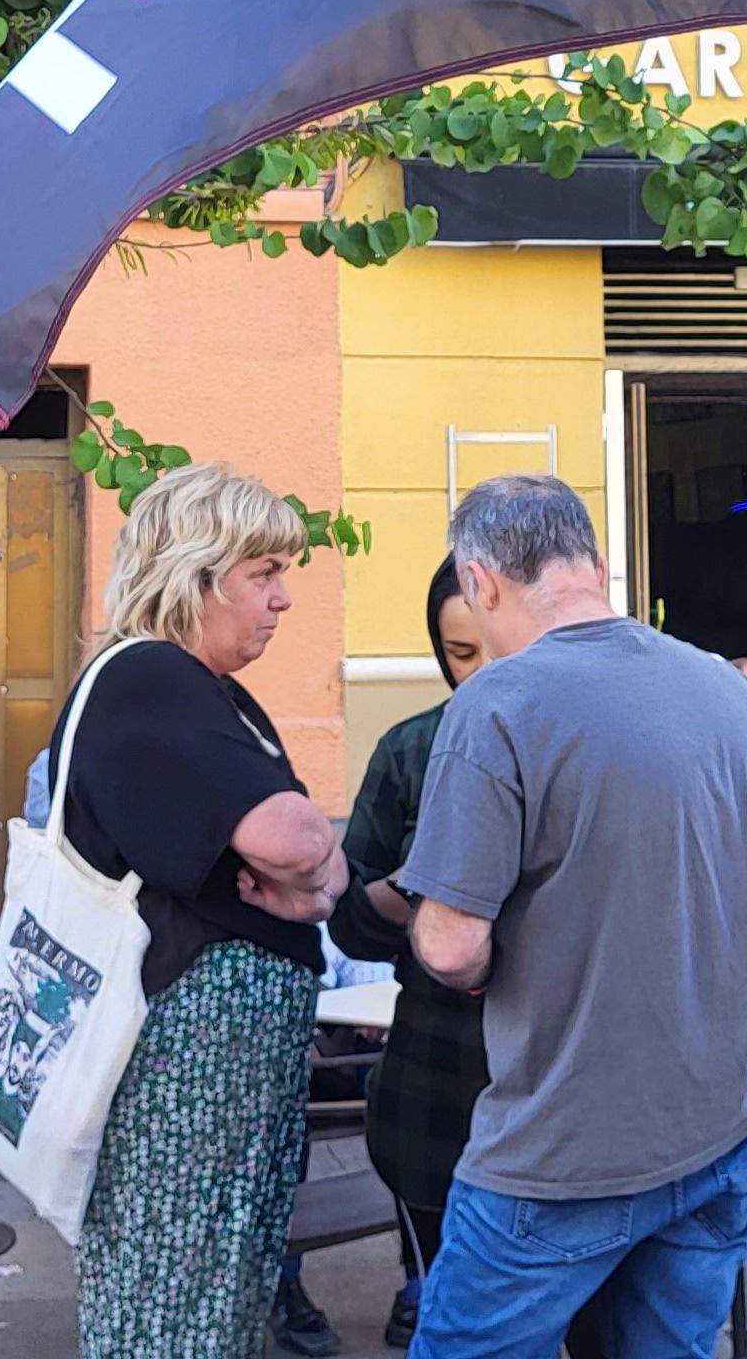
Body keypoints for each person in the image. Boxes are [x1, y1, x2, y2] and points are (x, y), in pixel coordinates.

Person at [400, 475, 747, 1356]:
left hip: (559, 1147)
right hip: (721, 1127)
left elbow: (451, 944)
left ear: (481, 582)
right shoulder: (728, 688)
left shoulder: (494, 706)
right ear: (597, 565)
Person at [52, 462, 348, 1358]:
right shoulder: (149, 677)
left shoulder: (203, 688)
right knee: (172, 1303)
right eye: (262, 574)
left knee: (209, 1299)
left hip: (220, 1072)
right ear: (194, 573)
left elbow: (318, 867)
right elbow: (300, 841)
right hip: (186, 1072)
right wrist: (315, 870)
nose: (283, 600)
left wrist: (319, 879)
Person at [325, 559, 554, 1354]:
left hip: (560, 1071)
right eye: (459, 654)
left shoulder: (581, 736)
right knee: (454, 1296)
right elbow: (350, 922)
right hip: (440, 1068)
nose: (482, 672)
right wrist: (411, 886)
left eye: (493, 648)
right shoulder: (411, 750)